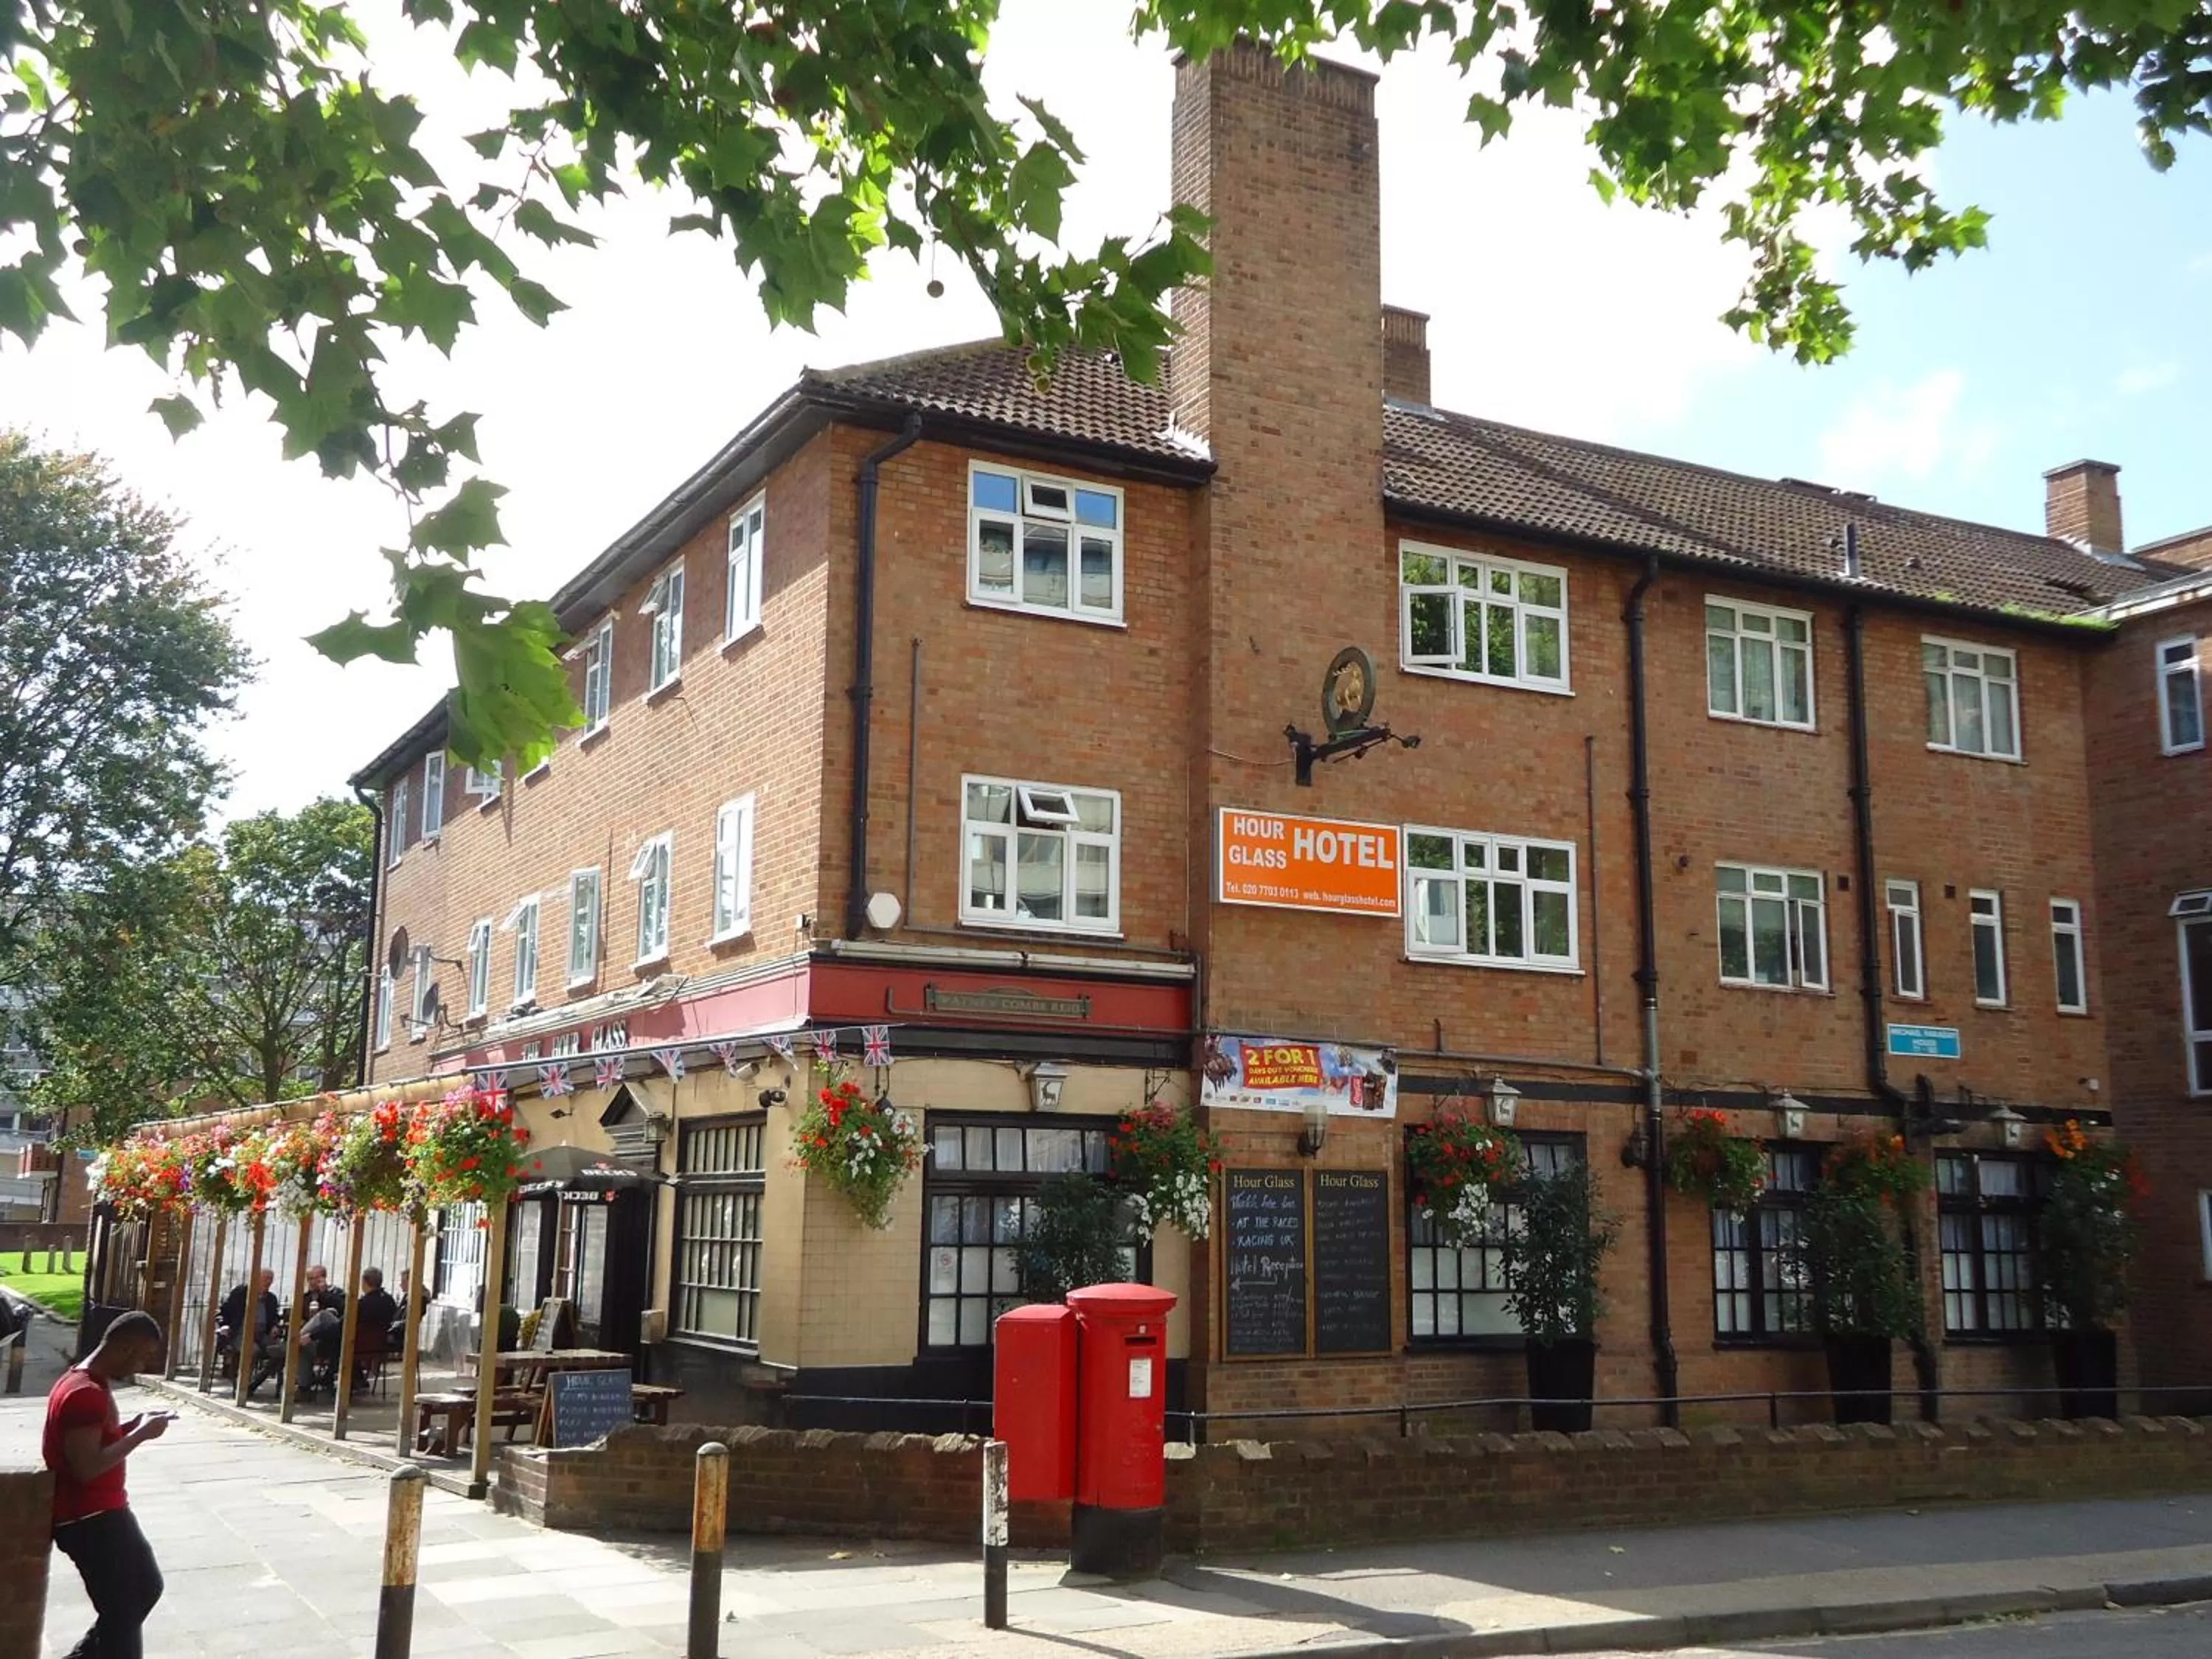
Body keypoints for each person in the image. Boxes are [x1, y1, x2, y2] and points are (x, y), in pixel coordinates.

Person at [44, 1309, 170, 1659]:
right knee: (124, 1610)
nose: (143, 1365)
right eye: (144, 1355)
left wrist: (133, 1425)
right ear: (126, 1347)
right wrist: (142, 1435)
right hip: (89, 1519)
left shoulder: (86, 1383)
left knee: (145, 1589)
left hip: (105, 1511)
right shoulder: (84, 1393)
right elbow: (87, 1466)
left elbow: (97, 1440)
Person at [215, 1270, 279, 1392]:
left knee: (281, 1351)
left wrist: (274, 1326)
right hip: (240, 1332)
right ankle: (241, 1385)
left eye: (270, 1278)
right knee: (252, 1350)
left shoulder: (271, 1299)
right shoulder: (240, 1293)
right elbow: (223, 1312)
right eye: (265, 1278)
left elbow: (274, 1317)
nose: (268, 1281)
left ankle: (254, 1383)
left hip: (262, 1334)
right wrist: (224, 1325)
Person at [352, 1267, 398, 1394]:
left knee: (335, 1342)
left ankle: (330, 1379)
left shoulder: (363, 1303)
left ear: (365, 1282)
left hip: (358, 1344)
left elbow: (349, 1321)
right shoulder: (389, 1301)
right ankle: (358, 1379)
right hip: (380, 1343)